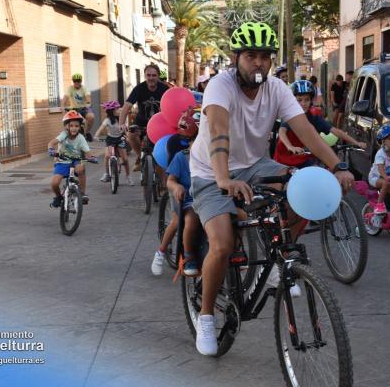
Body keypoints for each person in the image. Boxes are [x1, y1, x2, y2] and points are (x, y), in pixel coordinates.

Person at [189, 21, 354, 356]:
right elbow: (219, 130)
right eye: (251, 56)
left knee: (299, 190)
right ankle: (206, 316)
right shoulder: (220, 87)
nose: (259, 63)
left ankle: (281, 260)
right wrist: (222, 179)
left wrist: (337, 167)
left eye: (265, 56)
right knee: (221, 244)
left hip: (254, 165)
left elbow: (306, 131)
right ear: (237, 58)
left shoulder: (277, 88)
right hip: (210, 170)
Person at [274, 80, 367, 168]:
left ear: (311, 101)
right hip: (284, 160)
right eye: (299, 100)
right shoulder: (290, 115)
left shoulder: (315, 119)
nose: (303, 103)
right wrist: (290, 147)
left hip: (304, 159)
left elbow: (336, 131)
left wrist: (356, 142)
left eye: (306, 100)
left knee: (319, 175)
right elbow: (282, 131)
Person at [153, 113, 200, 276]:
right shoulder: (181, 154)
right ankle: (163, 252)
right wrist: (176, 186)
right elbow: (171, 179)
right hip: (185, 195)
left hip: (206, 196)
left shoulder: (215, 155)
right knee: (179, 220)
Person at [119, 64, 169, 171]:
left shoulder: (165, 89)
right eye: (148, 75)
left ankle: (163, 181)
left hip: (159, 124)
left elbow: (172, 106)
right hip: (141, 122)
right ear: (145, 76)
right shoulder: (139, 89)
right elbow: (127, 106)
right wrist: (122, 123)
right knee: (131, 134)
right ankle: (140, 156)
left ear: (158, 76)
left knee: (161, 155)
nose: (151, 78)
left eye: (154, 75)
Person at [47, 110, 97, 207]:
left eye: (76, 126)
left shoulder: (81, 138)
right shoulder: (63, 135)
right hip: (62, 161)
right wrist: (51, 149)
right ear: (67, 126)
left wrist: (91, 157)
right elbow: (52, 142)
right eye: (71, 126)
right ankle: (58, 197)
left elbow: (87, 151)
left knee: (81, 168)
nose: (74, 128)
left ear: (80, 127)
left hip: (76, 160)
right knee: (54, 183)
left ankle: (82, 193)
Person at [93, 101, 134, 186]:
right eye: (117, 109)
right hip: (110, 140)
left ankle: (128, 177)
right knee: (107, 156)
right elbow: (101, 129)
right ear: (112, 111)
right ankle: (107, 174)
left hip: (120, 139)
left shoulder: (121, 119)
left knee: (125, 159)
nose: (119, 111)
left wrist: (128, 137)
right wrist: (96, 135)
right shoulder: (107, 120)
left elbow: (125, 130)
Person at [368, 124, 390, 214]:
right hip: (375, 178)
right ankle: (379, 205)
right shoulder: (380, 154)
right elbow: (380, 169)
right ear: (383, 141)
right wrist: (385, 177)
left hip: (387, 179)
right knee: (385, 182)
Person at [62, 73, 95, 142]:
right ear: (73, 81)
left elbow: (88, 98)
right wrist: (62, 107)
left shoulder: (84, 88)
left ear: (81, 81)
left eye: (78, 81)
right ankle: (69, 137)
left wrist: (88, 102)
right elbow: (65, 98)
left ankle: (87, 132)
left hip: (84, 108)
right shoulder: (70, 88)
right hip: (74, 109)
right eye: (75, 81)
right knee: (67, 121)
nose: (76, 82)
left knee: (91, 116)